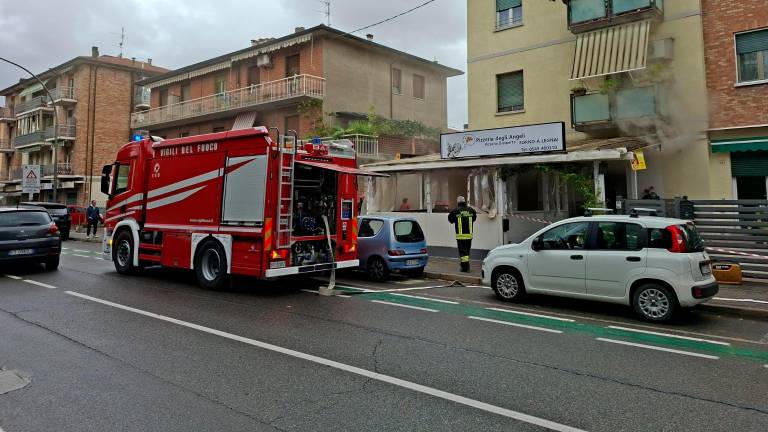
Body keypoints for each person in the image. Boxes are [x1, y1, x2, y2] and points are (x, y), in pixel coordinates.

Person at [447, 196, 477, 273]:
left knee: (463, 252)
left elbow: (450, 220)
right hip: (469, 235)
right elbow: (474, 219)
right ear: (464, 201)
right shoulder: (471, 210)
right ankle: (465, 265)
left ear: (458, 202)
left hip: (461, 236)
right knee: (467, 251)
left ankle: (465, 268)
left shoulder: (455, 211)